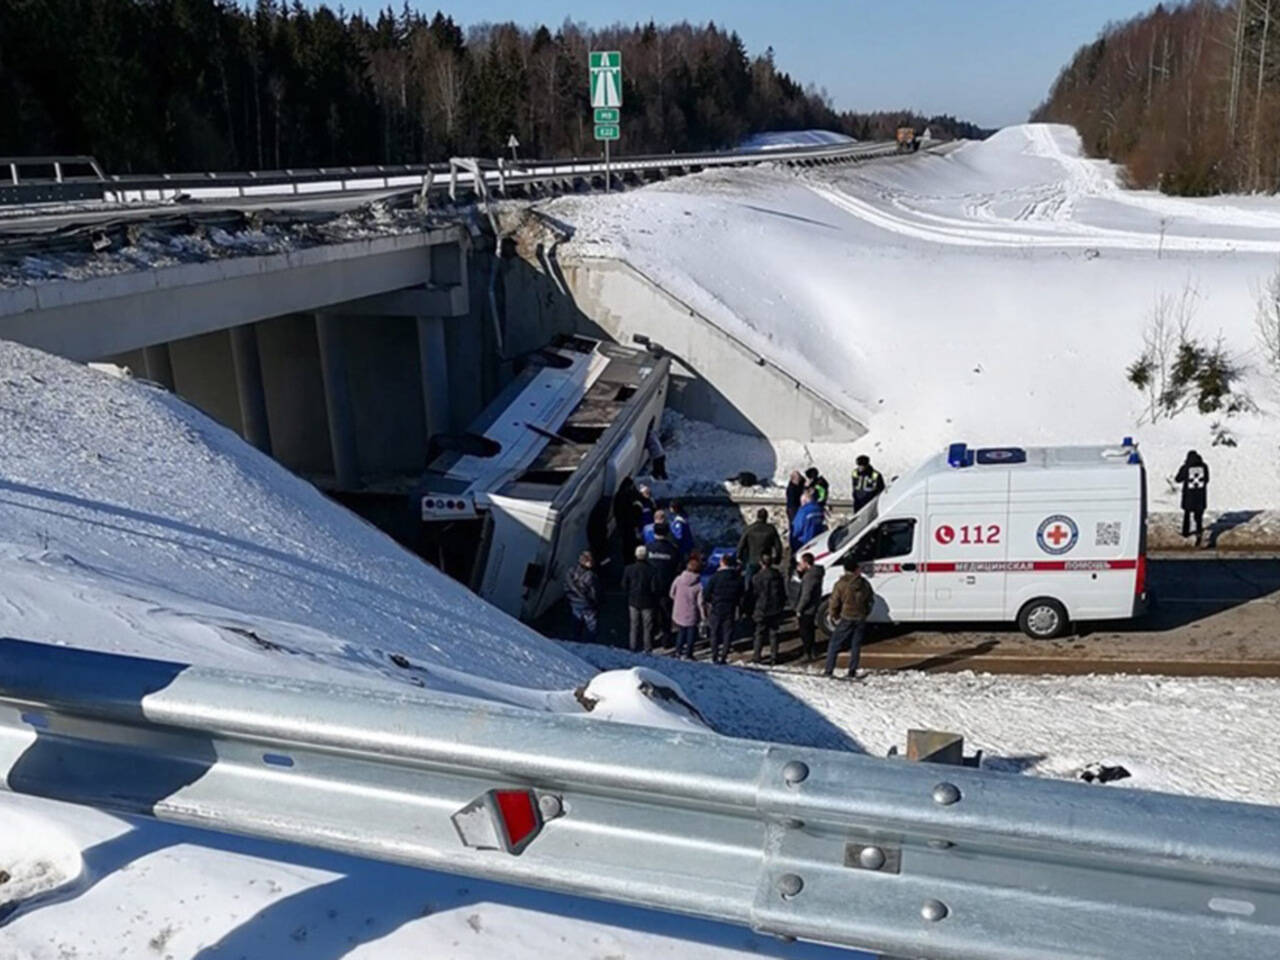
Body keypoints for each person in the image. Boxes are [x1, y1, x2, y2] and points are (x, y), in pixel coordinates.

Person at [824, 556, 873, 679]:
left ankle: (829, 670)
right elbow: (870, 600)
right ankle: (852, 670)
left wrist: (833, 614)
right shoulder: (864, 583)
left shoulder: (841, 584)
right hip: (860, 617)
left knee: (834, 644)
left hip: (846, 616)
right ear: (856, 569)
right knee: (855, 645)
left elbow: (834, 602)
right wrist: (866, 612)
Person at [704, 552, 745, 664]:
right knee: (727, 632)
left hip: (717, 607)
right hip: (731, 607)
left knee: (715, 631)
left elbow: (707, 593)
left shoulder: (715, 577)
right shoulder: (737, 577)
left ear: (722, 563)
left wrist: (710, 601)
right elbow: (742, 593)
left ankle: (714, 654)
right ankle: (724, 655)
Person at [621, 545, 662, 653]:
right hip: (648, 601)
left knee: (634, 625)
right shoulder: (652, 570)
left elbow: (624, 585)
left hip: (633, 600)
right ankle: (647, 647)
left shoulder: (629, 569)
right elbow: (654, 588)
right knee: (647, 626)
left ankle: (633, 646)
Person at [646, 523, 681, 645]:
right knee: (666, 614)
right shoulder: (672, 549)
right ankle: (666, 639)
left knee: (651, 614)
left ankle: (650, 639)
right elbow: (678, 567)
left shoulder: (648, 548)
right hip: (667, 586)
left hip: (650, 587)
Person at [750, 553, 787, 665]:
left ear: (761, 563)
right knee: (774, 633)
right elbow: (782, 593)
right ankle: (774, 656)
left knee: (759, 633)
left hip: (761, 608)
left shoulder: (757, 577)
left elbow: (753, 594)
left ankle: (757, 656)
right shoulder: (777, 576)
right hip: (775, 608)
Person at [670, 557, 705, 659]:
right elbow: (700, 602)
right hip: (692, 612)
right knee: (691, 634)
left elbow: (671, 593)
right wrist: (703, 616)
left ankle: (678, 651)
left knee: (680, 632)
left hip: (678, 610)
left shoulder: (678, 579)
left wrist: (677, 601)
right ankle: (689, 653)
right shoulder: (699, 585)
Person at [737, 508, 783, 584]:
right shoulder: (771, 529)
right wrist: (777, 559)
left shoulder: (750, 529)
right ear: (766, 517)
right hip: (766, 560)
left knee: (749, 582)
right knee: (766, 582)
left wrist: (740, 557)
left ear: (757, 516)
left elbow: (741, 544)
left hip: (752, 559)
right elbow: (778, 546)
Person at [563, 550, 600, 643]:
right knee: (591, 625)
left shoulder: (571, 571)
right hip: (587, 603)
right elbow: (594, 592)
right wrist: (596, 602)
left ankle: (575, 640)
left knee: (576, 623)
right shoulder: (591, 575)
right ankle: (590, 643)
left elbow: (567, 584)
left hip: (574, 601)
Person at [794, 552, 825, 662]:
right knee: (810, 630)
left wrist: (799, 608)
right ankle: (812, 651)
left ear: (806, 563)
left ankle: (808, 653)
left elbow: (806, 595)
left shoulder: (809, 577)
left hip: (807, 609)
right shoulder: (815, 574)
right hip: (813, 606)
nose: (800, 565)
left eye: (801, 562)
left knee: (805, 632)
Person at [1175, 450, 1210, 547]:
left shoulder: (1186, 467)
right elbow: (1207, 480)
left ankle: (1185, 532)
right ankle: (1199, 533)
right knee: (1199, 517)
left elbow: (1178, 479)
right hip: (1200, 496)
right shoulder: (1204, 467)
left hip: (1188, 496)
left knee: (1187, 515)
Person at [612, 477, 643, 565]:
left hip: (622, 525)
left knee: (626, 544)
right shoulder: (630, 496)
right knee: (631, 542)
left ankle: (627, 560)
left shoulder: (619, 496)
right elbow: (636, 508)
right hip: (630, 524)